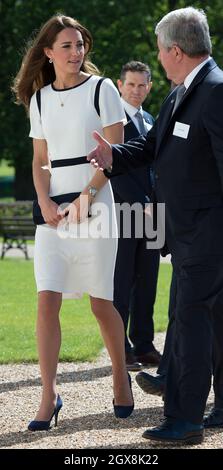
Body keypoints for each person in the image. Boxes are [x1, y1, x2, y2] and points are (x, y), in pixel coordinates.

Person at [87, 6, 223, 444]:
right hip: (187, 237)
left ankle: (185, 421)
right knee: (211, 323)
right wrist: (112, 158)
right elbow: (151, 144)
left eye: (161, 51)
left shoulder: (216, 92)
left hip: (206, 237)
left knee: (189, 325)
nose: (159, 59)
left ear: (176, 50)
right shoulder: (181, 91)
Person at [13, 14, 134, 431]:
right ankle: (48, 394)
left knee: (102, 304)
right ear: (48, 52)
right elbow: (39, 161)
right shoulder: (41, 99)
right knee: (47, 298)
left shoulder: (103, 90)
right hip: (52, 214)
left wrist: (86, 197)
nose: (75, 52)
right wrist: (44, 199)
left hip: (97, 203)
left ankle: (120, 374)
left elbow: (116, 150)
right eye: (65, 46)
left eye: (80, 45)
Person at [111, 61, 161, 371]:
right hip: (124, 210)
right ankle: (121, 347)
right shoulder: (112, 121)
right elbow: (112, 169)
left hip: (155, 213)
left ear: (150, 87)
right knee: (122, 281)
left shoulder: (151, 120)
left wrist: (157, 202)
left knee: (148, 281)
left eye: (142, 85)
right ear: (119, 85)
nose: (136, 90)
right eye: (131, 84)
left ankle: (143, 344)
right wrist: (143, 202)